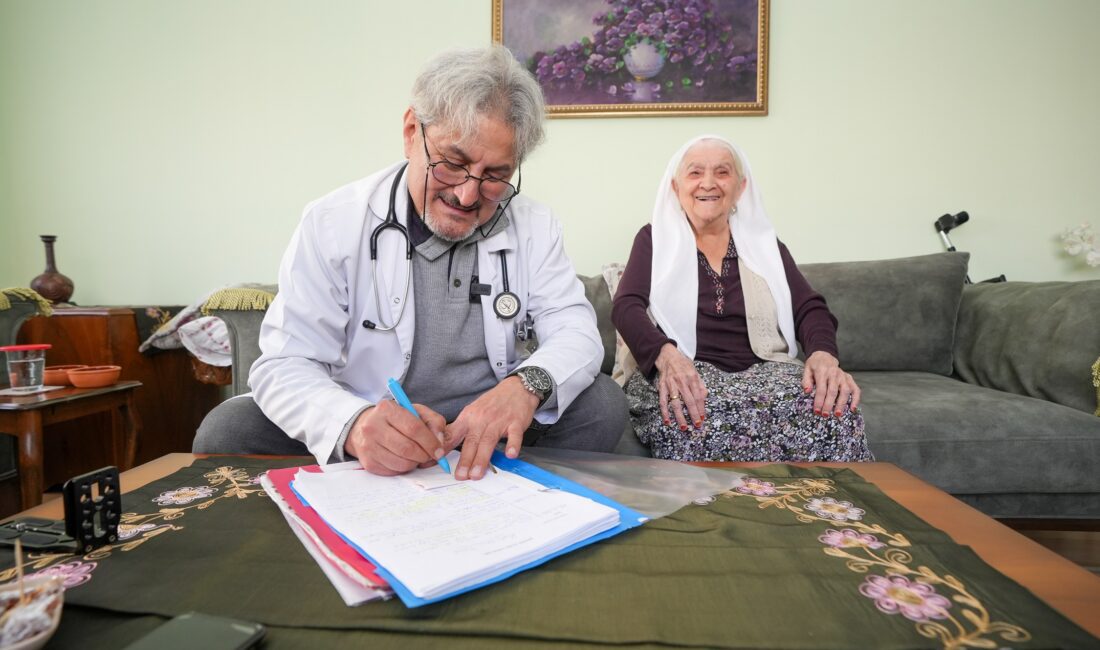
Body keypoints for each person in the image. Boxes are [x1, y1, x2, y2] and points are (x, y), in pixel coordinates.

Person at [194, 46, 626, 479]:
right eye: (453, 163)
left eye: (495, 176)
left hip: (483, 429)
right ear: (410, 131)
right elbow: (284, 363)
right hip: (373, 417)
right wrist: (356, 425)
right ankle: (398, 466)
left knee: (602, 404)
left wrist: (523, 387)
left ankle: (492, 483)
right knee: (227, 430)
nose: (467, 195)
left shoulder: (534, 225)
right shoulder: (333, 221)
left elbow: (577, 333)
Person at [610, 135, 872, 462]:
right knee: (692, 419)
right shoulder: (654, 239)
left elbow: (809, 308)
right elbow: (627, 306)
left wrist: (822, 356)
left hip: (764, 371)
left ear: (740, 187)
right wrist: (667, 357)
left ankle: (826, 511)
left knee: (836, 413)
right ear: (676, 188)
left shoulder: (764, 244)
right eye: (695, 173)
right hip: (685, 370)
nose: (708, 183)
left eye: (722, 172)